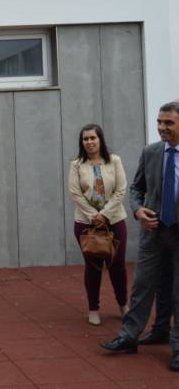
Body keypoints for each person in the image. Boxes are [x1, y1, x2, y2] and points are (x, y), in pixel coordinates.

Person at [101, 101, 179, 372]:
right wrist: (137, 211)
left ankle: (177, 347)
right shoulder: (151, 152)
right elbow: (136, 188)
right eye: (159, 122)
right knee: (143, 285)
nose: (161, 128)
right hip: (153, 231)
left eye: (168, 123)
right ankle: (129, 336)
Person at [68, 123, 129, 326]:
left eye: (93, 138)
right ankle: (93, 309)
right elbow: (75, 193)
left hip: (114, 220)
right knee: (93, 266)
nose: (89, 142)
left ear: (100, 139)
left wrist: (105, 214)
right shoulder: (77, 164)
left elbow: (121, 190)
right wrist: (94, 215)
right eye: (85, 139)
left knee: (117, 266)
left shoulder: (114, 161)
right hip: (86, 223)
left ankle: (123, 305)